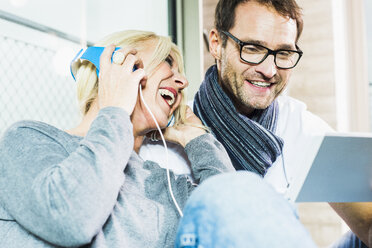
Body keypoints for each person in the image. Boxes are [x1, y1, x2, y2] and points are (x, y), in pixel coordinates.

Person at [140, 0, 372, 247]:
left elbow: (367, 226)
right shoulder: (166, 139)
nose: (270, 70)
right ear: (217, 44)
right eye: (252, 48)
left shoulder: (300, 126)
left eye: (283, 53)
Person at [0, 30, 235, 247]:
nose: (183, 82)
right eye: (167, 62)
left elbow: (229, 223)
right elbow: (72, 218)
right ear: (119, 66)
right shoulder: (27, 139)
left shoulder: (164, 185)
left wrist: (198, 139)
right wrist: (115, 109)